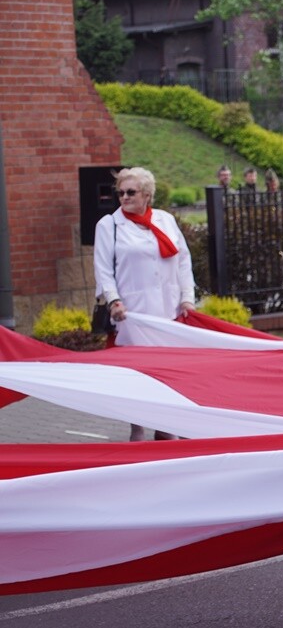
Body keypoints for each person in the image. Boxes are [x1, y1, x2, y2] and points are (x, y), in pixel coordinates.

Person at [93, 167, 196, 442]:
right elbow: (103, 269)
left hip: (168, 312)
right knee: (138, 376)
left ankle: (167, 426)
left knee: (168, 374)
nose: (124, 197)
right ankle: (137, 428)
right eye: (120, 193)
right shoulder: (109, 225)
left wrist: (187, 298)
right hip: (132, 315)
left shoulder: (166, 220)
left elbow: (183, 261)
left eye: (131, 192)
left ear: (147, 195)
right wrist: (113, 300)